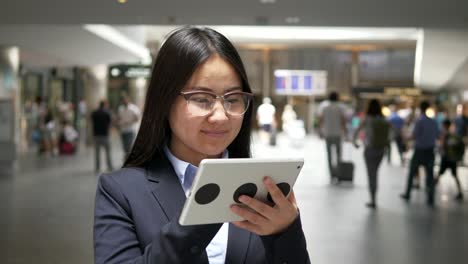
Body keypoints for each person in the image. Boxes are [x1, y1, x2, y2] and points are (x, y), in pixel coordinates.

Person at [94, 27, 310, 264]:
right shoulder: (119, 191)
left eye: (233, 99)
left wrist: (286, 233)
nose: (220, 116)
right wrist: (203, 211)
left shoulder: (262, 190)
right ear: (164, 101)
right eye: (201, 99)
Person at [400, 101, 439, 207]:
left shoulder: (419, 121)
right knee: (429, 175)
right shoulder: (433, 122)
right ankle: (430, 198)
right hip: (430, 151)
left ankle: (407, 194)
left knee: (412, 172)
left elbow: (414, 135)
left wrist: (405, 137)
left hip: (420, 150)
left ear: (420, 109)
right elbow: (438, 135)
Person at [353, 99, 390, 209]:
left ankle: (373, 199)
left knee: (372, 175)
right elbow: (391, 133)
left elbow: (357, 130)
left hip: (369, 150)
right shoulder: (384, 119)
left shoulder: (367, 119)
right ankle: (373, 198)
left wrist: (355, 142)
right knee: (375, 173)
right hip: (381, 150)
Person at [317, 91, 347, 181]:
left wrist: (320, 131)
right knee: (338, 155)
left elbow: (320, 119)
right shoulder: (341, 106)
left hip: (328, 133)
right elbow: (343, 120)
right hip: (338, 134)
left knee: (329, 155)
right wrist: (345, 131)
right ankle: (338, 174)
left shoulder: (324, 106)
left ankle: (331, 174)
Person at [434, 119, 464, 201]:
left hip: (446, 158)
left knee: (440, 174)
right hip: (452, 159)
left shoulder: (446, 135)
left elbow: (443, 146)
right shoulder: (453, 135)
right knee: (454, 176)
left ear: (444, 125)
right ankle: (460, 192)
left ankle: (431, 188)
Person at [91, 100, 114, 173]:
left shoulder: (94, 113)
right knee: (108, 152)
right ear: (104, 105)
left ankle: (97, 167)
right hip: (105, 135)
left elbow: (92, 121)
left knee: (97, 153)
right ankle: (109, 166)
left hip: (96, 135)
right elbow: (110, 123)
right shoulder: (107, 113)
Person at [117, 94, 141, 159]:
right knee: (124, 146)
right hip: (123, 129)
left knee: (129, 145)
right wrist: (119, 123)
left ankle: (128, 158)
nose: (124, 101)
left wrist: (129, 122)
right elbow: (119, 118)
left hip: (130, 129)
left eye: (125, 100)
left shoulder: (133, 108)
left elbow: (137, 118)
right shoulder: (120, 108)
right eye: (122, 100)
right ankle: (126, 157)